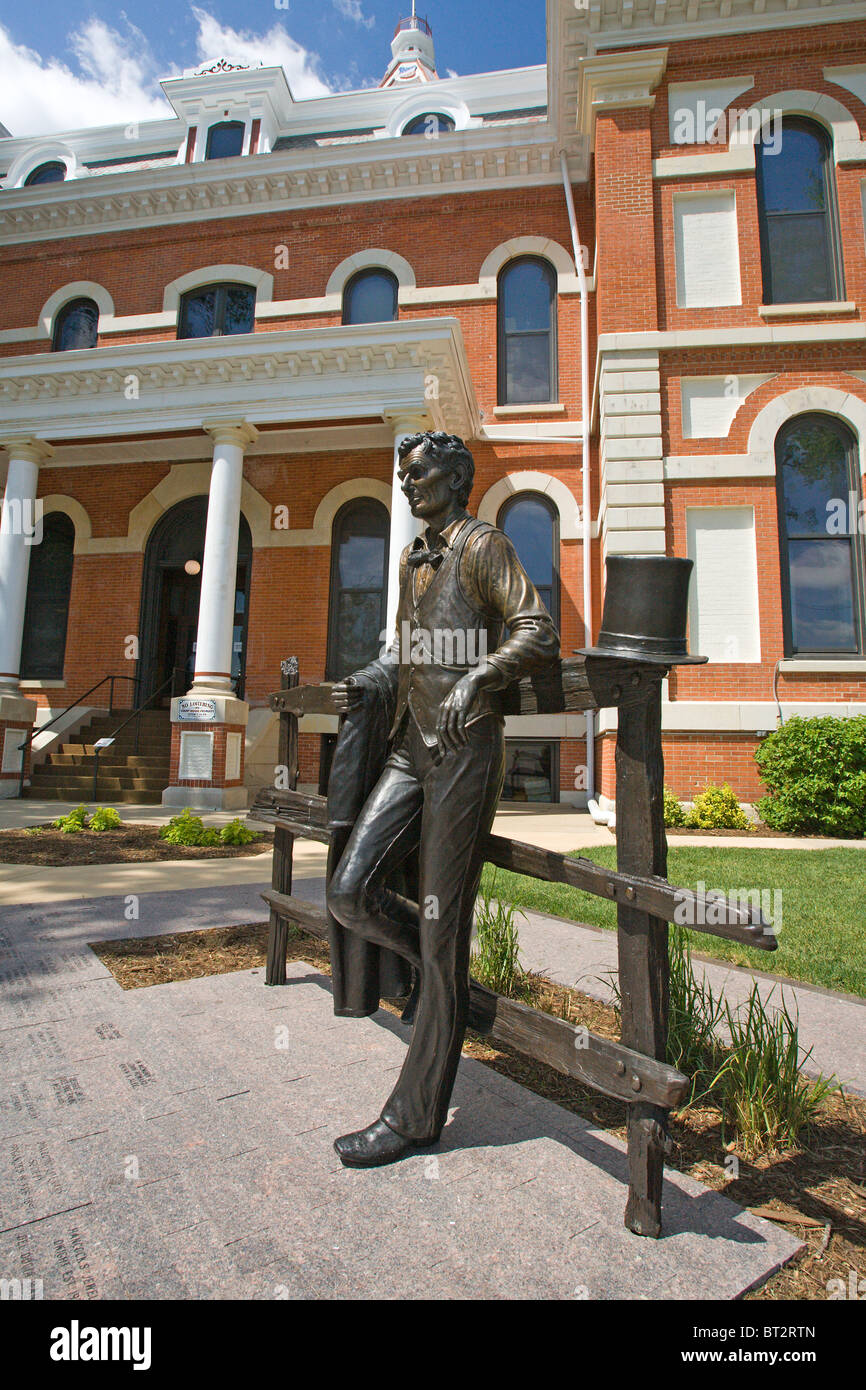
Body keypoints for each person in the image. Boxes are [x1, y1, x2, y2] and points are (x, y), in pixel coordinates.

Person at [327, 430, 559, 1166]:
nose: (406, 484)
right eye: (402, 474)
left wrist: (480, 675)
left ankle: (415, 1115)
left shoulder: (483, 545)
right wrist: (370, 677)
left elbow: (536, 628)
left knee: (442, 926)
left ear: (455, 478)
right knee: (350, 890)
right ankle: (434, 973)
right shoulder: (410, 557)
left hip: (464, 749)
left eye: (418, 473)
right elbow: (404, 646)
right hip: (408, 742)